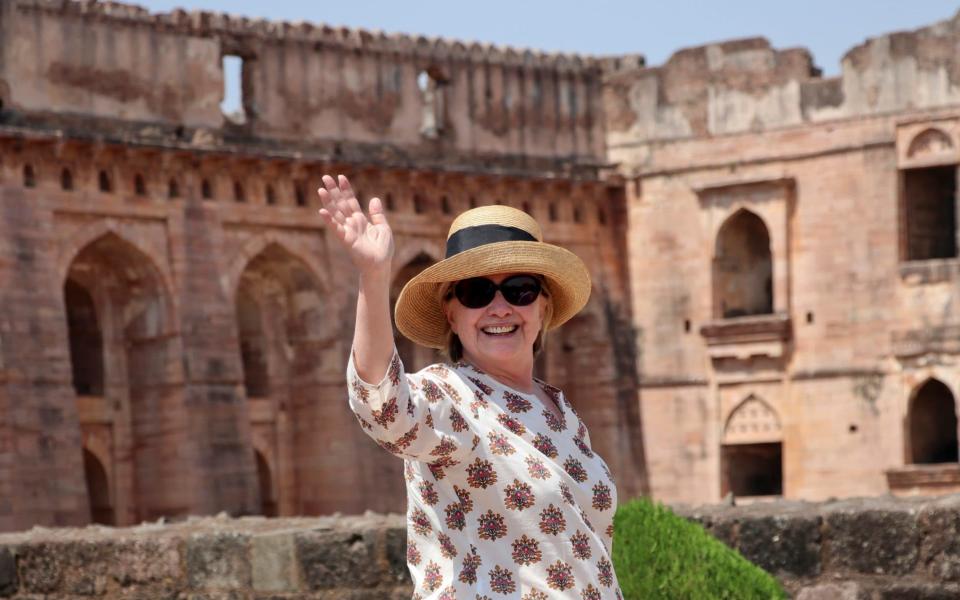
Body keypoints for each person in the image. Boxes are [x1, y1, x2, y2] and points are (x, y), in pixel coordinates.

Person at [317, 174, 623, 599]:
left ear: (544, 306)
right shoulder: (451, 397)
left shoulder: (559, 410)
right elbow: (382, 406)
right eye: (476, 292)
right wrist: (373, 276)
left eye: (520, 290)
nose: (500, 308)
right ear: (451, 313)